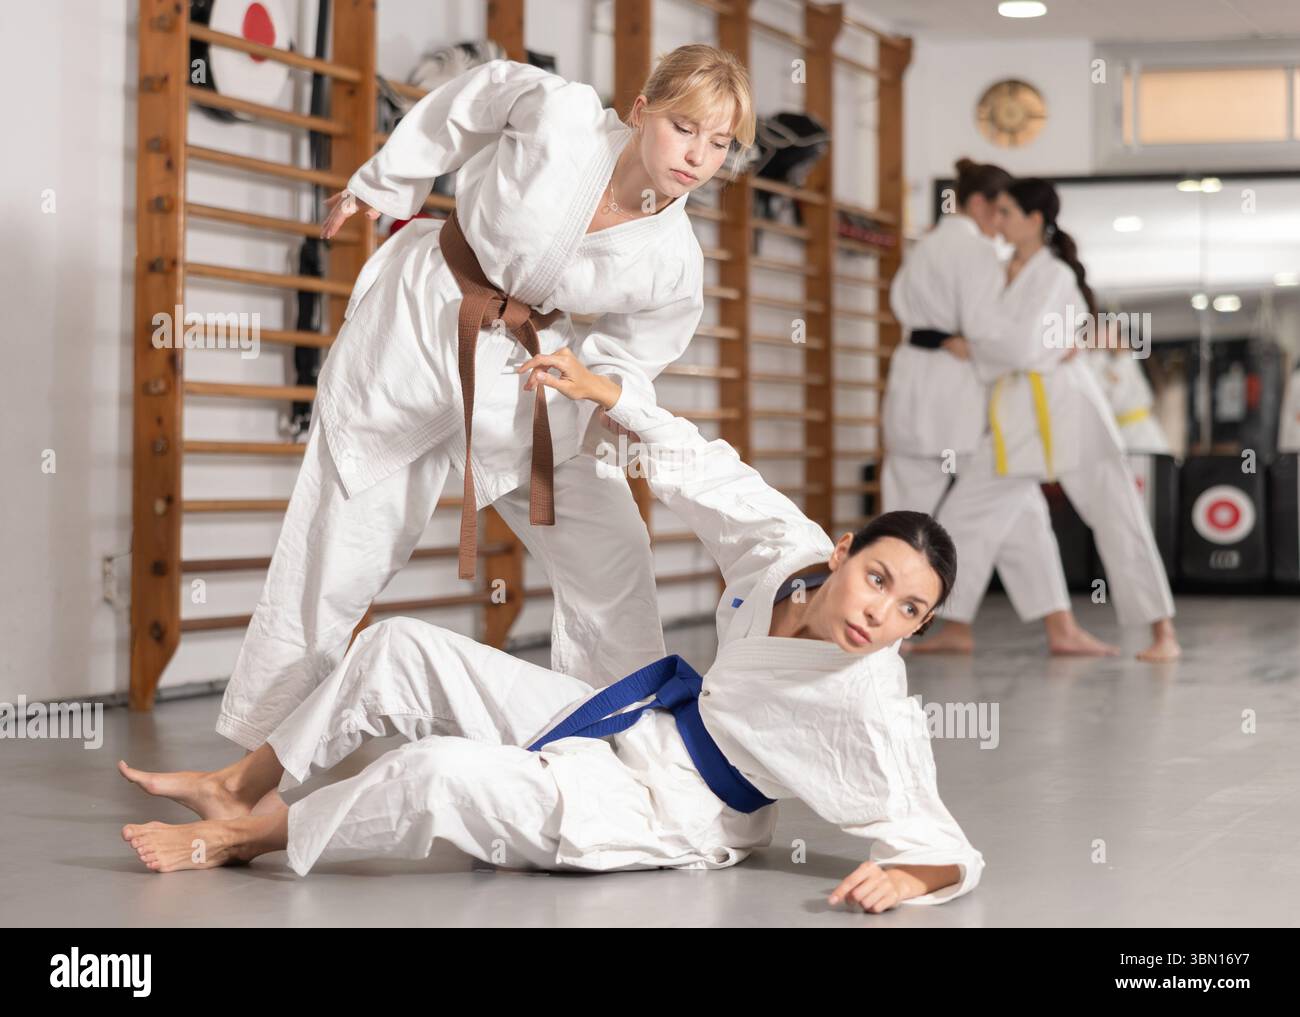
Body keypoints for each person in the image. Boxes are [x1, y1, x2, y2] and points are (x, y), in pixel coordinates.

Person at [120, 356, 984, 912]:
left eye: (911, 611)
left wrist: (914, 875)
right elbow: (709, 472)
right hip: (640, 719)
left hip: (671, 810)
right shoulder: (784, 548)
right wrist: (612, 395)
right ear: (840, 551)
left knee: (436, 771)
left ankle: (243, 835)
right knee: (399, 646)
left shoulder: (872, 702)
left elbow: (942, 840)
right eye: (878, 579)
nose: (881, 614)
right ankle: (241, 782)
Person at [216, 47, 756, 759]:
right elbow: (467, 101)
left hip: (524, 375)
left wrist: (590, 376)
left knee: (614, 551)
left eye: (720, 143)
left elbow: (636, 350)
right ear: (639, 111)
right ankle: (254, 757)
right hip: (421, 325)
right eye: (685, 127)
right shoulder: (561, 115)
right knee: (337, 545)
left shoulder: (675, 257)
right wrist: (385, 182)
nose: (699, 156)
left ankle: (622, 746)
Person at [933, 178, 1180, 662]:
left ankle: (1163, 632)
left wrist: (979, 347)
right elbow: (1008, 344)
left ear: (1034, 220)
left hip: (1070, 411)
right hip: (1016, 417)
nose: (997, 222)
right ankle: (952, 623)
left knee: (1117, 516)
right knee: (963, 516)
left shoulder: (1056, 276)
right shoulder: (1001, 270)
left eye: (1006, 212)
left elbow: (1022, 347)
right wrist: (996, 346)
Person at [885, 158, 1116, 656]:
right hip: (961, 394)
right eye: (1000, 211)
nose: (1003, 225)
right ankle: (899, 624)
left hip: (913, 385)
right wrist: (1055, 345)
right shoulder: (975, 252)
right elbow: (995, 331)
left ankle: (1020, 625)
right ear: (980, 205)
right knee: (953, 514)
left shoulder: (926, 245)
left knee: (1009, 512)